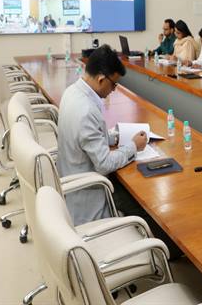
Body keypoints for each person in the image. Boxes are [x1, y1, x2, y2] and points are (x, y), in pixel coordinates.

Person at [56, 45, 147, 225]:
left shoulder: (72, 91)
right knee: (142, 204)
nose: (114, 90)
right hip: (88, 192)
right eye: (114, 84)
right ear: (101, 79)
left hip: (71, 174)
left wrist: (117, 136)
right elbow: (104, 164)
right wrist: (134, 146)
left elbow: (87, 136)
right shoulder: (87, 110)